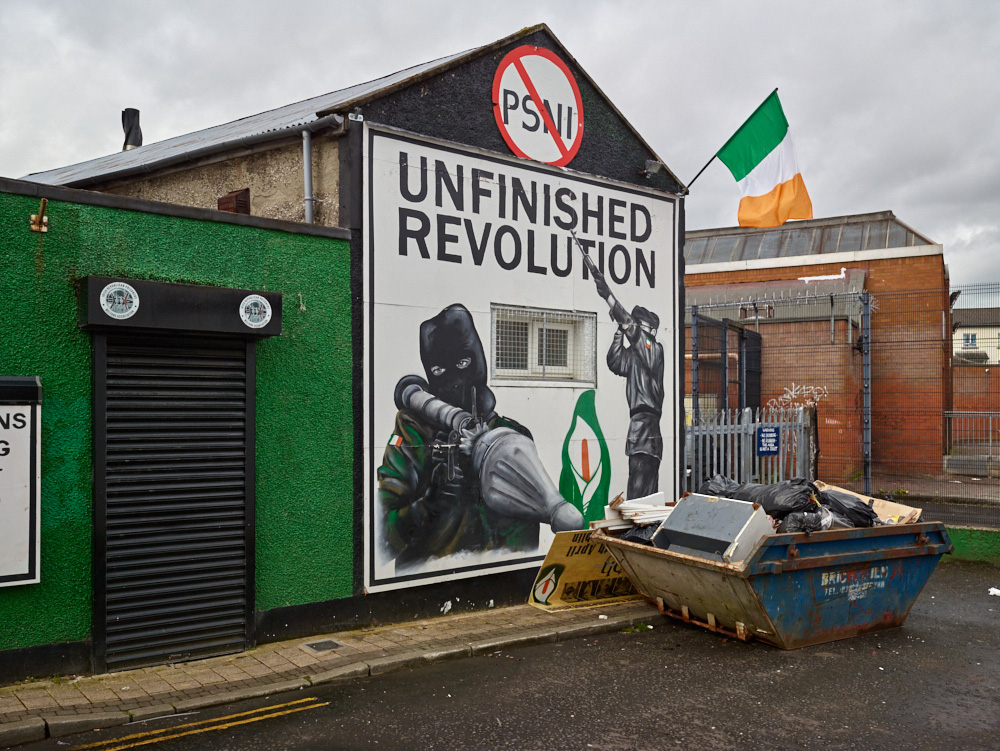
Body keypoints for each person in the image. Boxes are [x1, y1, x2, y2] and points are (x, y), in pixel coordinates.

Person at [377, 304, 539, 567]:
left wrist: (482, 493)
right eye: (439, 371)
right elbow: (382, 538)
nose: (454, 379)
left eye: (463, 362)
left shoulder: (512, 437)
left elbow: (525, 542)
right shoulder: (413, 431)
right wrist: (429, 504)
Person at [592, 271, 664, 499]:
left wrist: (610, 299)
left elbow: (632, 329)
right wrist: (618, 330)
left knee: (642, 493)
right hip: (638, 430)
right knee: (638, 489)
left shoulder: (654, 350)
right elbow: (614, 361)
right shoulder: (637, 356)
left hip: (647, 428)